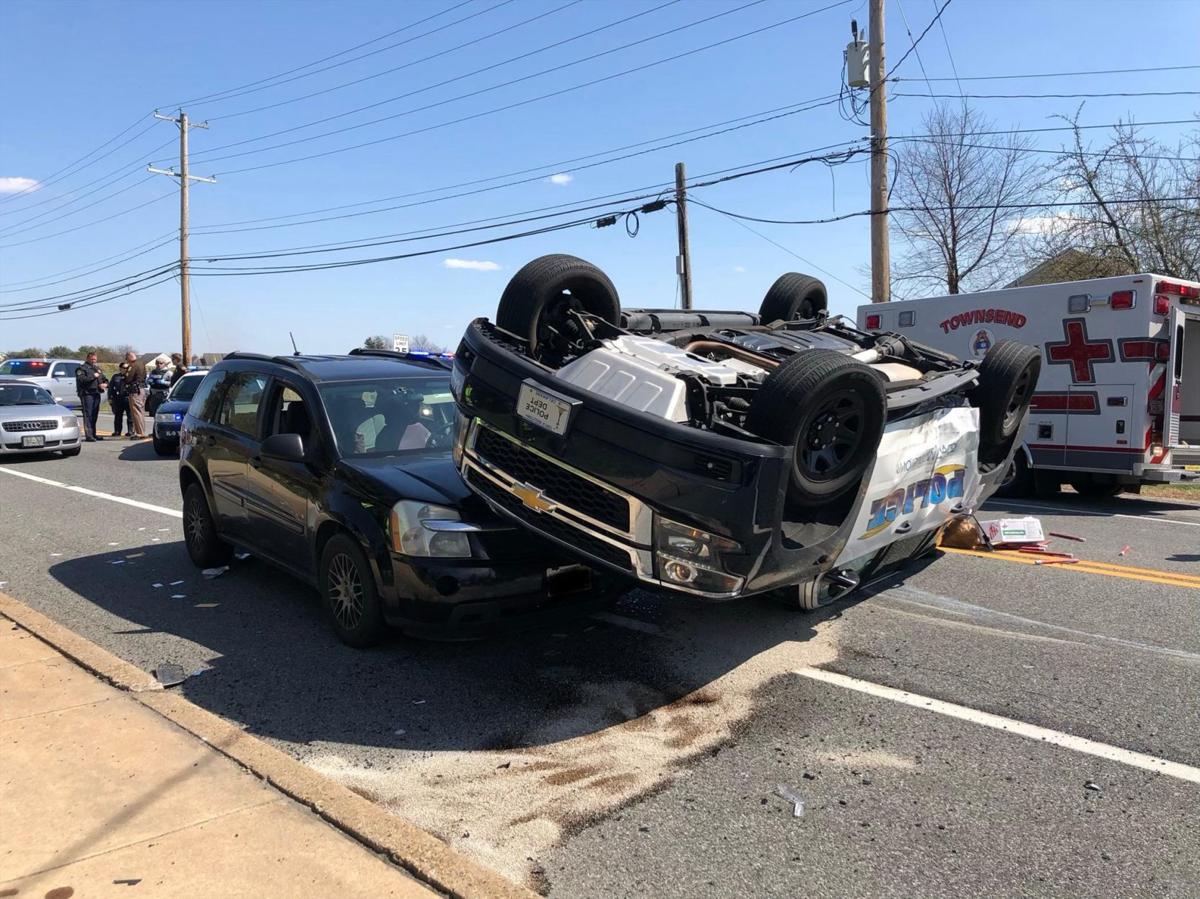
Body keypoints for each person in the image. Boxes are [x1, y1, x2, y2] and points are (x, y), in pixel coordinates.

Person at [75, 353, 107, 442]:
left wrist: (105, 384)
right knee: (88, 415)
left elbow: (104, 379)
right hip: (87, 394)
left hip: (96, 393)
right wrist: (93, 376)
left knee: (94, 415)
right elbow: (82, 380)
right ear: (88, 358)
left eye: (95, 359)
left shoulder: (97, 369)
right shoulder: (81, 368)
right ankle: (89, 435)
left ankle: (94, 434)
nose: (94, 361)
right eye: (92, 359)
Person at [125, 351, 149, 439]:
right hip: (142, 389)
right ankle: (142, 431)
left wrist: (125, 376)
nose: (127, 361)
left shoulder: (133, 365)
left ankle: (140, 433)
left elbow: (128, 378)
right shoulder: (142, 363)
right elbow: (145, 375)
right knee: (141, 411)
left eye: (127, 359)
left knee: (136, 412)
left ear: (129, 357)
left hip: (135, 390)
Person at [107, 362, 131, 437]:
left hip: (128, 398)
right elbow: (110, 388)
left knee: (130, 416)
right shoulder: (115, 376)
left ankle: (130, 431)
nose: (126, 369)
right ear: (120, 368)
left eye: (127, 368)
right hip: (118, 398)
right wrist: (110, 397)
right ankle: (117, 431)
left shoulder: (130, 376)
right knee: (118, 416)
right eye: (124, 368)